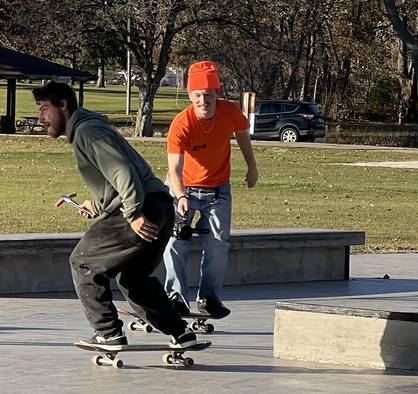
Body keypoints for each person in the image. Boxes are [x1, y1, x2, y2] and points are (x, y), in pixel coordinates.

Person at [33, 81, 196, 350]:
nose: (41, 118)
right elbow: (115, 182)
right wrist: (96, 205)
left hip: (141, 208)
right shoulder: (91, 128)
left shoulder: (87, 131)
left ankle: (109, 333)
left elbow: (123, 172)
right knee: (134, 280)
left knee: (83, 262)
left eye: (44, 109)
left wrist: (133, 214)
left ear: (63, 105)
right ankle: (181, 332)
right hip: (159, 206)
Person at [163, 61, 258, 319]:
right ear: (190, 96)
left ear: (218, 92)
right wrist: (181, 195)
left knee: (217, 244)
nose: (203, 101)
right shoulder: (182, 123)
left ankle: (209, 298)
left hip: (218, 190)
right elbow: (173, 169)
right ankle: (175, 298)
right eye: (197, 96)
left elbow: (241, 135)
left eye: (208, 95)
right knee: (175, 242)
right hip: (184, 187)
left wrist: (252, 166)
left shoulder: (230, 111)